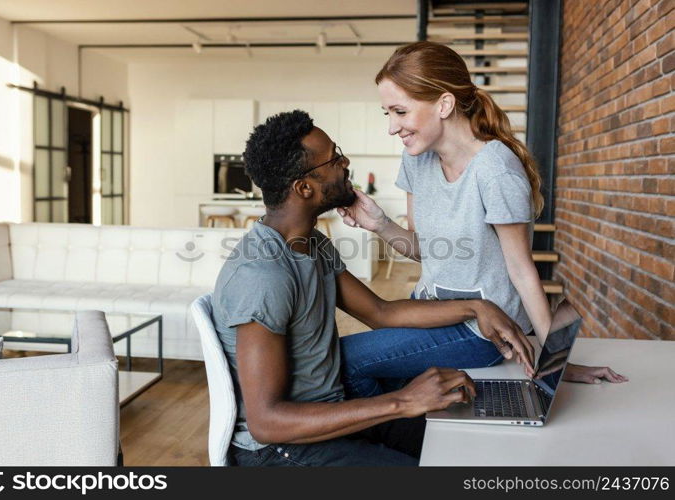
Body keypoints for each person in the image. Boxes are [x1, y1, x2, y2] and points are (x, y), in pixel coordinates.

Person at [212, 110, 535, 466]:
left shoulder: (311, 244)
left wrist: (476, 307)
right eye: (334, 158)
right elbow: (266, 422)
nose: (345, 162)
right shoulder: (262, 274)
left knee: (466, 446)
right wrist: (403, 401)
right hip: (283, 450)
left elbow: (382, 313)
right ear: (304, 188)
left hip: (330, 416)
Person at [337, 41, 627, 385]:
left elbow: (522, 272)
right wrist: (380, 225)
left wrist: (558, 362)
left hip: (482, 331)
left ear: (444, 104)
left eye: (401, 112)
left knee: (343, 362)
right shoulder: (416, 159)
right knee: (342, 363)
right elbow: (425, 250)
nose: (392, 127)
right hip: (430, 309)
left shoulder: (495, 170)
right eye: (388, 114)